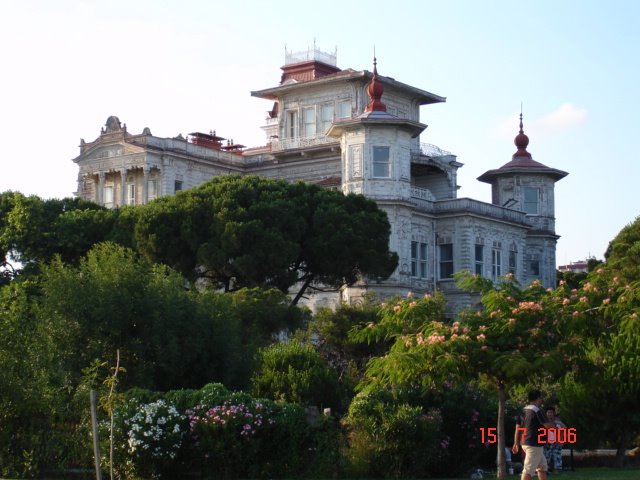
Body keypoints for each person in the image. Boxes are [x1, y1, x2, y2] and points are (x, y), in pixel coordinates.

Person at [512, 390, 554, 480]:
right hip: (534, 445)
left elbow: (518, 428)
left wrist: (516, 443)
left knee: (542, 468)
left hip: (526, 443)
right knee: (528, 471)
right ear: (538, 398)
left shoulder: (523, 410)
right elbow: (547, 426)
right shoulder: (537, 410)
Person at [544, 406, 566, 471]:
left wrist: (559, 423)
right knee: (546, 457)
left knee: (557, 457)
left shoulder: (557, 421)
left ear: (554, 413)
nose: (550, 414)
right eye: (548, 412)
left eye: (551, 412)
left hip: (557, 442)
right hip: (547, 443)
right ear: (546, 413)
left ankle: (558, 469)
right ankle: (546, 470)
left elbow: (565, 429)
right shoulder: (544, 422)